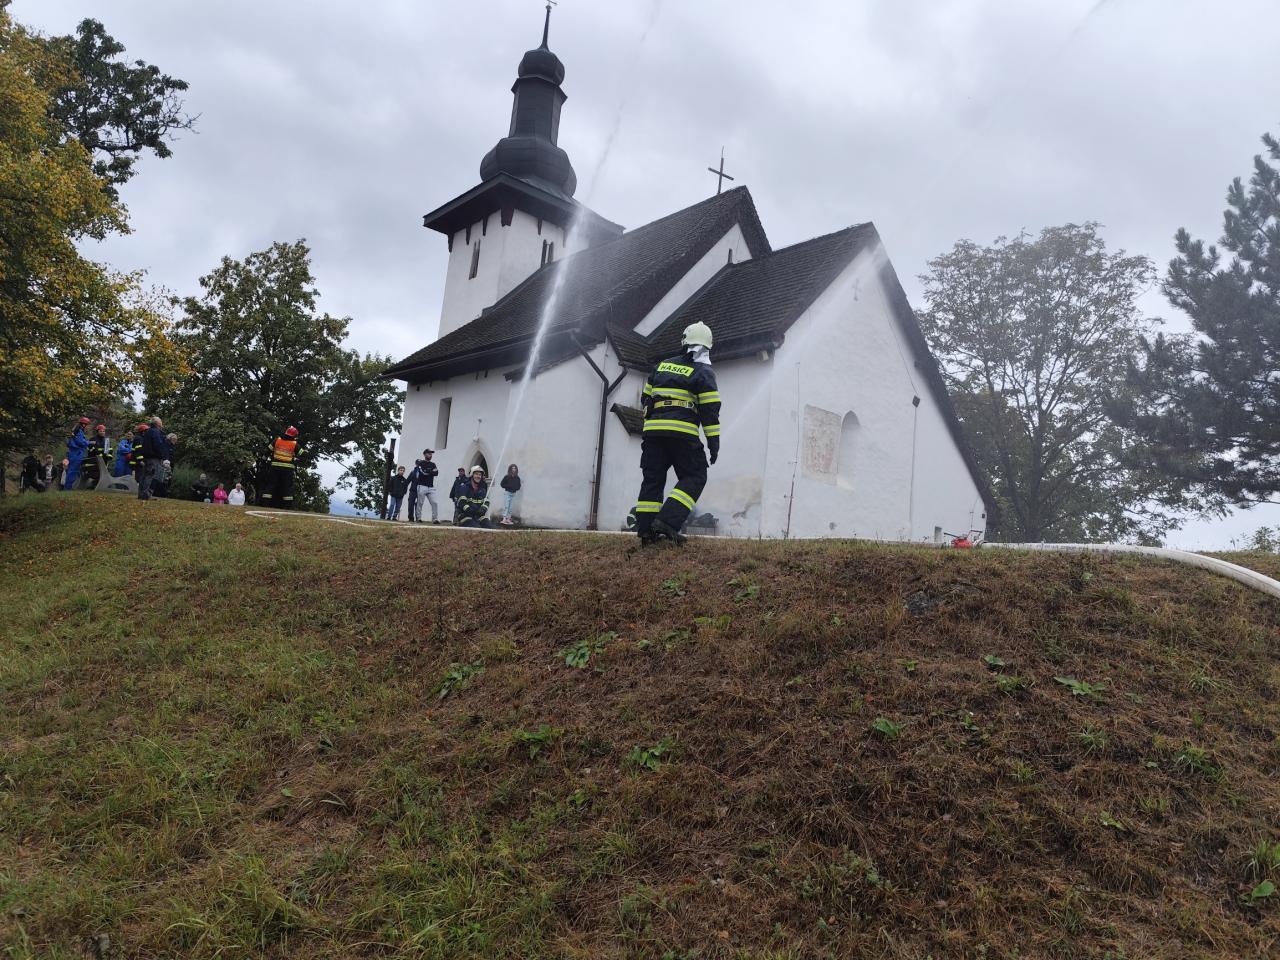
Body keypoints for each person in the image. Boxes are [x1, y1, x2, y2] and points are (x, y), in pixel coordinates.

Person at [632, 321, 721, 546]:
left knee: (653, 479)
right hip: (682, 434)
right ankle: (667, 522)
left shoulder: (661, 366)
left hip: (653, 433)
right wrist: (713, 443)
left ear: (684, 342)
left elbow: (645, 398)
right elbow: (709, 412)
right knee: (695, 475)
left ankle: (646, 531)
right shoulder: (703, 372)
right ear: (707, 347)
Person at [260, 426, 299, 509]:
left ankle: (265, 504)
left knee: (271, 485)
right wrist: (296, 459)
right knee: (287, 487)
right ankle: (287, 506)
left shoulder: (277, 440)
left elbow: (267, 451)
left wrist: (263, 460)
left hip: (274, 467)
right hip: (287, 469)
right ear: (294, 436)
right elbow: (302, 454)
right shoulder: (294, 444)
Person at [138, 416, 166, 501]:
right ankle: (146, 495)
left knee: (144, 476)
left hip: (146, 457)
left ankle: (141, 494)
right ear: (158, 423)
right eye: (161, 421)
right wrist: (162, 455)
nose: (162, 423)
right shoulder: (156, 432)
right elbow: (158, 445)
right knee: (150, 475)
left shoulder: (148, 431)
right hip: (154, 458)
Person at [409, 449, 440, 523]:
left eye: (431, 454)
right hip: (422, 486)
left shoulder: (433, 464)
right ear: (425, 454)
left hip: (431, 487)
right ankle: (418, 518)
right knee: (420, 503)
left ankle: (435, 519)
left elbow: (436, 473)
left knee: (434, 502)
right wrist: (431, 472)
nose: (430, 455)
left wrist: (428, 471)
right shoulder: (421, 463)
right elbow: (422, 473)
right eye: (429, 454)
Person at [63, 417, 90, 490]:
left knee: (71, 470)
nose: (87, 427)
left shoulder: (75, 430)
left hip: (73, 452)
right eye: (87, 425)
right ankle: (67, 488)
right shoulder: (79, 431)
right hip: (76, 453)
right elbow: (80, 442)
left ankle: (68, 487)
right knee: (73, 470)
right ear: (84, 424)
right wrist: (88, 442)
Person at [82, 423, 108, 489]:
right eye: (101, 431)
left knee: (102, 473)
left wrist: (107, 457)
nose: (102, 432)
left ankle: (95, 485)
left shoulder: (106, 440)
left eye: (103, 431)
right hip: (94, 461)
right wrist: (100, 455)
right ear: (97, 431)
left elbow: (108, 451)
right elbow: (91, 450)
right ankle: (93, 485)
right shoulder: (92, 439)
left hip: (103, 461)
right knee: (96, 474)